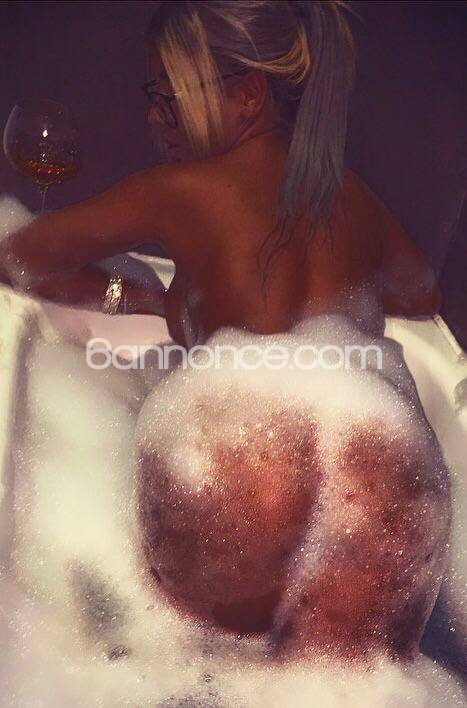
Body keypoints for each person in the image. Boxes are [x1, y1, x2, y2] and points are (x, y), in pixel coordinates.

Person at [0, 0, 449, 665]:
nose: (155, 117)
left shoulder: (181, 188)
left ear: (246, 96)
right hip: (387, 472)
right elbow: (423, 296)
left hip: (237, 466)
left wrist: (141, 296)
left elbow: (20, 256)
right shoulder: (351, 196)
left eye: (169, 95)